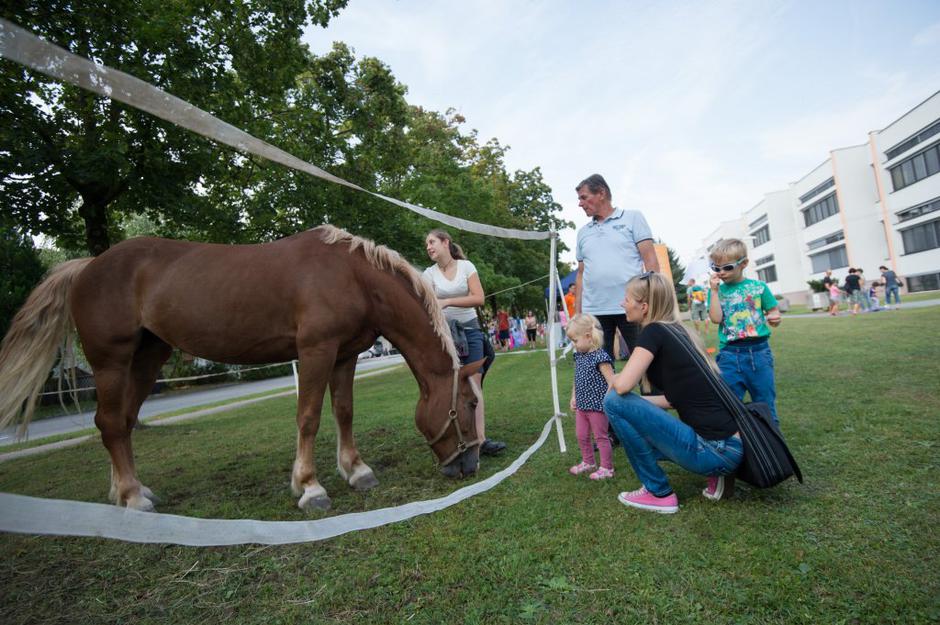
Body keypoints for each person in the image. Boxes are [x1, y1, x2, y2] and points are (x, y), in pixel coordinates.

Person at [603, 272, 744, 514]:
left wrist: (610, 375)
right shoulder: (678, 331)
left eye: (627, 298)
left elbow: (623, 387)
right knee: (626, 409)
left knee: (614, 401)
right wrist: (639, 408)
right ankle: (717, 474)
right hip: (729, 448)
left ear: (644, 306)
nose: (622, 303)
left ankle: (659, 493)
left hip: (714, 450)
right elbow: (672, 399)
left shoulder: (653, 332)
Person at [423, 229, 506, 457]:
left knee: (473, 384)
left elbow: (478, 298)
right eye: (426, 244)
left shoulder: (466, 267)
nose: (428, 247)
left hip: (470, 331)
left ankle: (480, 440)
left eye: (432, 242)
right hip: (445, 336)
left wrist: (448, 301)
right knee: (452, 387)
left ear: (445, 242)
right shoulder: (428, 274)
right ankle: (456, 437)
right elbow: (427, 305)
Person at [574, 174, 660, 361]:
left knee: (648, 365)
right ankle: (608, 393)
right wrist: (577, 313)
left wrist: (654, 301)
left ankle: (653, 393)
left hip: (632, 306)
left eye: (584, 197)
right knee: (596, 370)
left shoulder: (633, 218)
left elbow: (651, 261)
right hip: (594, 312)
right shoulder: (582, 233)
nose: (580, 203)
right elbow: (581, 275)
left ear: (601, 193)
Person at [707, 238, 782, 425]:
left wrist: (775, 317)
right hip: (730, 355)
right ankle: (738, 447)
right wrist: (714, 292)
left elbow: (773, 310)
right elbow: (716, 318)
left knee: (765, 404)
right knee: (729, 405)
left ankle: (772, 450)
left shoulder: (759, 287)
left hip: (759, 353)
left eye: (727, 267)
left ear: (744, 264)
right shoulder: (717, 291)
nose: (721, 273)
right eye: (716, 268)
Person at [566, 314, 616, 480]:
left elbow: (612, 382)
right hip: (582, 405)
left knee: (601, 437)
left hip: (597, 406)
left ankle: (607, 468)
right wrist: (574, 397)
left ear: (588, 337)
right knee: (581, 435)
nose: (574, 344)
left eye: (575, 340)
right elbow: (577, 378)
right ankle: (588, 462)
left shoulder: (601, 357)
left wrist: (607, 401)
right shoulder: (579, 356)